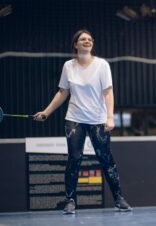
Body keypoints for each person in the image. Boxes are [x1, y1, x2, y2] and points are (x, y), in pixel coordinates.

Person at [34, 29, 132, 214]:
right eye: (83, 39)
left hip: (98, 120)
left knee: (106, 160)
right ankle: (70, 201)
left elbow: (108, 92)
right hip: (75, 119)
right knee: (74, 159)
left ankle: (119, 199)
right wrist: (46, 112)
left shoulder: (102, 65)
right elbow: (63, 92)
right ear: (76, 44)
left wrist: (110, 117)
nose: (87, 41)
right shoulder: (68, 66)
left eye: (90, 39)